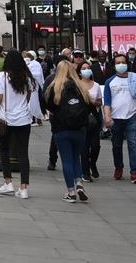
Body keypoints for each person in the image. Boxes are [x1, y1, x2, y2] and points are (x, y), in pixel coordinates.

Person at [42, 60, 94, 203]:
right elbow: (90, 106)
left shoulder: (54, 87)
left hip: (61, 128)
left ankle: (71, 192)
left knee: (66, 160)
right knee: (76, 157)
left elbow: (46, 104)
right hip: (79, 129)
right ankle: (79, 183)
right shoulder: (80, 87)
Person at [0, 50, 39, 199]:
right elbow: (28, 97)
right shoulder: (27, 78)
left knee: (4, 152)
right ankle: (24, 187)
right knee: (22, 153)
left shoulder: (2, 76)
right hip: (24, 119)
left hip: (5, 118)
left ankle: (8, 183)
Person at [103, 52, 136, 184]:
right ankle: (119, 167)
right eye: (118, 63)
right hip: (116, 118)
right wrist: (107, 116)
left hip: (132, 117)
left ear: (127, 64)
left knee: (133, 145)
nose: (121, 65)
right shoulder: (110, 82)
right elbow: (107, 102)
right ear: (114, 65)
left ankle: (135, 172)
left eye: (123, 62)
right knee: (116, 146)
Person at [80, 62, 103, 181]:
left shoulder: (96, 85)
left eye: (88, 68)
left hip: (94, 118)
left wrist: (93, 101)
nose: (86, 70)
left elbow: (100, 102)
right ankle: (85, 172)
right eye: (83, 69)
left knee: (95, 146)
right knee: (84, 146)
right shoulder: (76, 84)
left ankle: (92, 163)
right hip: (81, 118)